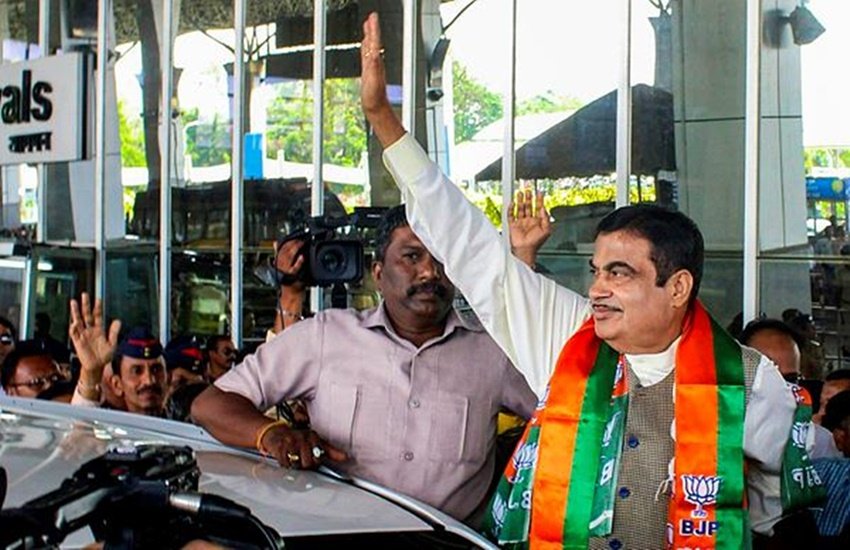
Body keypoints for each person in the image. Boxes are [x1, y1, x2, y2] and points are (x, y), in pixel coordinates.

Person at [359, 12, 808, 548]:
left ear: (678, 287)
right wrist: (381, 117)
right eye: (596, 271)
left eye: (619, 273)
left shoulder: (750, 382)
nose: (597, 288)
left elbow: (774, 509)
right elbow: (470, 245)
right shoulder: (570, 335)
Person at [191, 206, 538, 522]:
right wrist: (272, 435)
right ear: (378, 273)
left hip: (450, 542)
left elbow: (560, 413)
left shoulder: (494, 353)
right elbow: (210, 405)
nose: (429, 272)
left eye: (442, 259)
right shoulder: (326, 336)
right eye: (412, 256)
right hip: (341, 537)